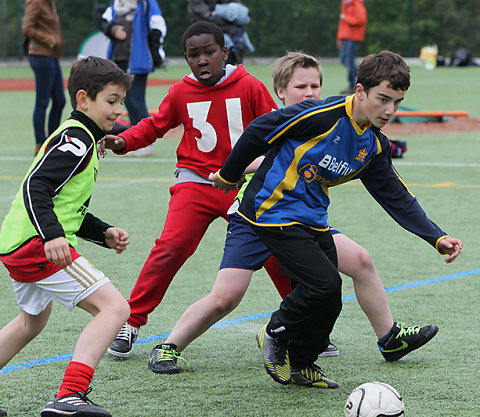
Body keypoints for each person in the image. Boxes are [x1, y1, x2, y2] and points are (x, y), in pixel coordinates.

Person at [145, 51, 441, 381]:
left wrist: (435, 236)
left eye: (316, 84)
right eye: (302, 86)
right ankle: (170, 345)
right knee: (226, 297)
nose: (311, 92)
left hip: (304, 220)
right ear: (280, 91)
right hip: (259, 216)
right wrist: (231, 174)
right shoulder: (308, 116)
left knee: (358, 262)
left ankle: (384, 338)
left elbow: (393, 193)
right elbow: (257, 142)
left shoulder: (362, 134)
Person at [99, 21, 289, 361]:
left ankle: (298, 321)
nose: (202, 61)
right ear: (186, 58)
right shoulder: (181, 91)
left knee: (275, 249)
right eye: (193, 55)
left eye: (209, 53)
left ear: (225, 53)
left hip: (243, 187)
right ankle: (131, 321)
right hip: (196, 183)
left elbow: (278, 130)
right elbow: (155, 124)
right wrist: (124, 140)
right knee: (170, 247)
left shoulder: (249, 86)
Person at [0, 56, 132, 417]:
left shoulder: (84, 138)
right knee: (115, 308)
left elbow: (64, 203)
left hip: (18, 243)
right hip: (36, 245)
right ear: (83, 99)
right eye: (111, 101)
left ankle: (68, 397)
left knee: (31, 323)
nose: (118, 110)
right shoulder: (76, 139)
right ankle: (69, 396)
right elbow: (36, 185)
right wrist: (52, 236)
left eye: (121, 101)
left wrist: (102, 232)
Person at [100, 0, 167, 156]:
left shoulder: (147, 4)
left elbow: (158, 27)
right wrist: (113, 29)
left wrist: (156, 54)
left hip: (138, 61)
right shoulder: (116, 4)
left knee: (137, 100)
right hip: (118, 59)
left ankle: (147, 143)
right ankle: (135, 141)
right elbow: (104, 22)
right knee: (127, 101)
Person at [22, 0, 66, 155]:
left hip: (51, 55)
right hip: (41, 55)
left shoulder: (50, 3)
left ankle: (52, 140)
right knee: (42, 101)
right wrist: (48, 39)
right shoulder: (36, 2)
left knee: (60, 100)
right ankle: (40, 143)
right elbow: (27, 28)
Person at [187, 0, 254, 65]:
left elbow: (236, 6)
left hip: (226, 30)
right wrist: (228, 18)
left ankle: (230, 64)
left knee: (236, 35)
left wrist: (225, 12)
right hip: (205, 31)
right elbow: (207, 17)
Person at [336, 0, 367, 95]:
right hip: (346, 38)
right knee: (343, 60)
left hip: (353, 38)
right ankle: (363, 75)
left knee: (349, 62)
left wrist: (346, 18)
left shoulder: (357, 5)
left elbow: (361, 20)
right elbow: (342, 25)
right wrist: (340, 38)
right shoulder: (346, 5)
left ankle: (352, 86)